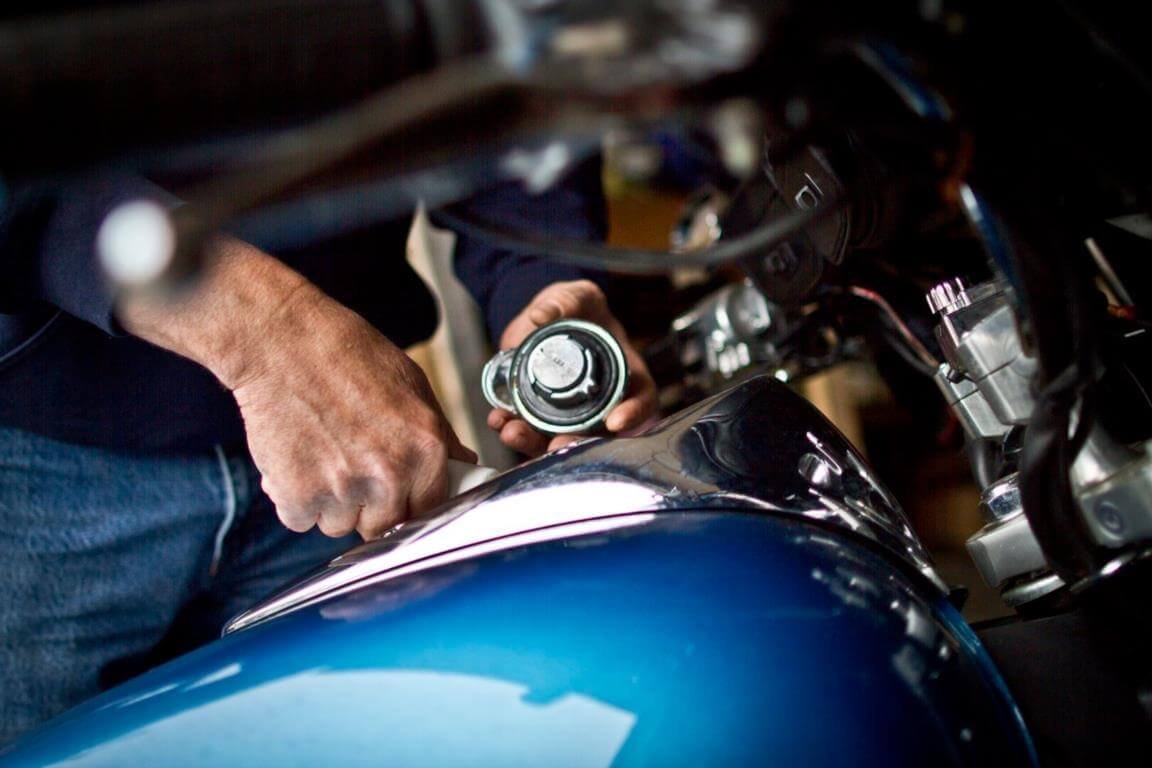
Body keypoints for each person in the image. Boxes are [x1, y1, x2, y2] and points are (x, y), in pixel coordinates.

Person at [0, 162, 656, 743]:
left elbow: (495, 87)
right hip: (39, 463)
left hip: (356, 465)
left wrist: (536, 276)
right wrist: (270, 332)